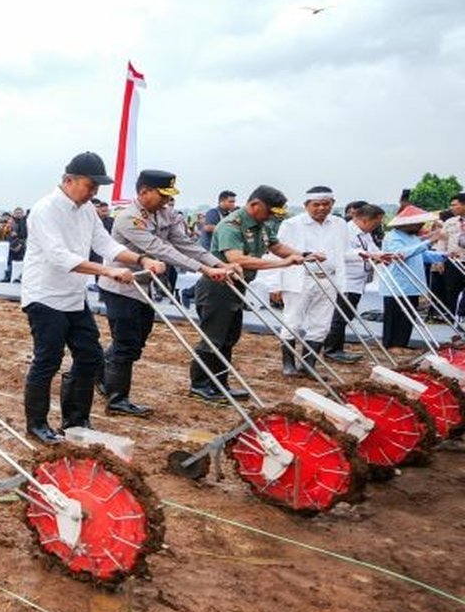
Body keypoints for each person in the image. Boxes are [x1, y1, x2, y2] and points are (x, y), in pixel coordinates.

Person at [21, 152, 165, 442]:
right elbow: (59, 256)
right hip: (44, 297)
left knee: (90, 356)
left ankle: (76, 420)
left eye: (97, 187)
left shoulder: (86, 210)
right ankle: (36, 424)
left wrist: (141, 260)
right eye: (90, 185)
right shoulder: (45, 210)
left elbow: (105, 243)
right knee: (47, 360)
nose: (94, 192)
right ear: (68, 180)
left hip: (74, 297)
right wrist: (107, 271)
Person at [97, 170, 235, 416]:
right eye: (162, 195)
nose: (165, 201)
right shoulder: (129, 218)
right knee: (127, 342)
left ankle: (100, 371)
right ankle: (117, 398)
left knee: (138, 339)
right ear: (144, 192)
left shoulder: (164, 214)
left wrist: (217, 264)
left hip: (146, 287)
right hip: (122, 286)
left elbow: (185, 244)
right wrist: (203, 269)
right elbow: (160, 249)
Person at [188, 185, 314, 403]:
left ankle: (219, 383)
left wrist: (302, 254)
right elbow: (236, 259)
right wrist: (283, 264)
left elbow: (276, 246)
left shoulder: (261, 225)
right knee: (213, 339)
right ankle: (200, 385)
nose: (271, 217)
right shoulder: (231, 225)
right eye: (269, 212)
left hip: (238, 286)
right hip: (217, 288)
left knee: (229, 339)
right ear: (255, 205)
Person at [275, 186, 355, 376]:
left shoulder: (339, 224)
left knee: (321, 324)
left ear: (332, 204)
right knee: (292, 321)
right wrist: (275, 285)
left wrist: (369, 254)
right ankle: (288, 364)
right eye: (316, 204)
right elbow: (277, 253)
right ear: (306, 205)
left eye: (325, 204)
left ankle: (309, 364)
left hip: (328, 279)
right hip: (300, 279)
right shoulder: (291, 224)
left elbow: (346, 252)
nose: (321, 208)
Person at [322, 203, 387, 361]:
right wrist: (364, 254)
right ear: (365, 220)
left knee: (347, 315)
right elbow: (339, 254)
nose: (377, 226)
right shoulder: (345, 231)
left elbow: (373, 249)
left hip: (358, 282)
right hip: (346, 281)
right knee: (340, 315)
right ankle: (331, 349)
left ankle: (336, 347)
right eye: (376, 222)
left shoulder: (365, 234)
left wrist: (384, 255)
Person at [379, 205, 445, 350]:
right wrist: (428, 241)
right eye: (418, 224)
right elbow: (401, 254)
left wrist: (444, 256)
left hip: (412, 284)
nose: (420, 226)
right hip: (397, 284)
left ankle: (402, 344)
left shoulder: (413, 237)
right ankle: (390, 345)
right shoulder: (393, 237)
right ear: (407, 224)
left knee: (408, 318)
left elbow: (422, 255)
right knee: (394, 318)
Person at [438, 193, 465, 318]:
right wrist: (439, 260)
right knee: (452, 291)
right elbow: (442, 241)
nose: (451, 208)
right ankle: (456, 320)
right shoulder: (450, 222)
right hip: (453, 262)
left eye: (455, 205)